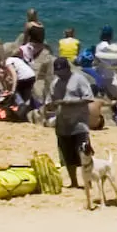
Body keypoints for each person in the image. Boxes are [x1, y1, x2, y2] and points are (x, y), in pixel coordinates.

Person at [49, 57, 94, 188]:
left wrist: (68, 102)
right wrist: (50, 107)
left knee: (84, 153)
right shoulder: (55, 83)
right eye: (57, 72)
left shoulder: (79, 79)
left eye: (62, 71)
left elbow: (88, 98)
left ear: (68, 69)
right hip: (62, 123)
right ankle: (73, 182)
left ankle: (88, 181)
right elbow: (50, 101)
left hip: (79, 122)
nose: (60, 75)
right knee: (67, 155)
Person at [94, 26, 117, 104]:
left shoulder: (98, 45)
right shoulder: (107, 46)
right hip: (109, 76)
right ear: (110, 35)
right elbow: (113, 60)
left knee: (116, 97)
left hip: (102, 75)